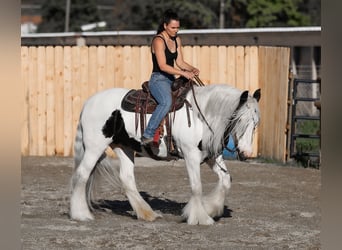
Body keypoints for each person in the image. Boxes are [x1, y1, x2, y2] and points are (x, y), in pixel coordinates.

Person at [141, 9, 200, 145]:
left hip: (171, 79)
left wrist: (192, 68)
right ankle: (148, 134)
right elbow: (162, 66)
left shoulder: (177, 40)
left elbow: (180, 62)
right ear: (165, 26)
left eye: (178, 28)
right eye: (173, 27)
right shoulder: (158, 40)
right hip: (158, 79)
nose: (176, 30)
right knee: (166, 102)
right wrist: (184, 73)